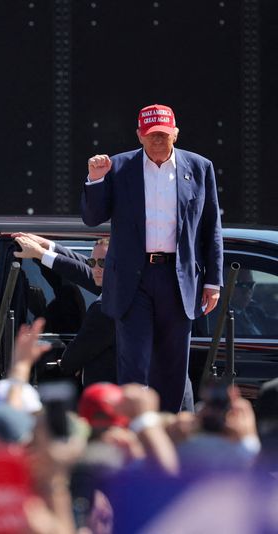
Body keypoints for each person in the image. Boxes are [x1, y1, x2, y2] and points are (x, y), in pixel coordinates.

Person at [82, 104, 223, 412]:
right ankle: (135, 432)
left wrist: (213, 281)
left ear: (175, 133)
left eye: (163, 135)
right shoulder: (119, 167)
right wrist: (95, 180)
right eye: (151, 136)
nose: (158, 141)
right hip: (135, 278)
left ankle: (169, 433)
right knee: (134, 362)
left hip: (178, 276)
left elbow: (211, 228)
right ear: (139, 136)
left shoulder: (199, 167)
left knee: (174, 365)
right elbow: (92, 218)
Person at [14, 234, 116, 385]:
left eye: (103, 262)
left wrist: (40, 254)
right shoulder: (120, 290)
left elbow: (77, 354)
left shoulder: (106, 304)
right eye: (92, 261)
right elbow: (83, 269)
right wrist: (48, 246)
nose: (96, 268)